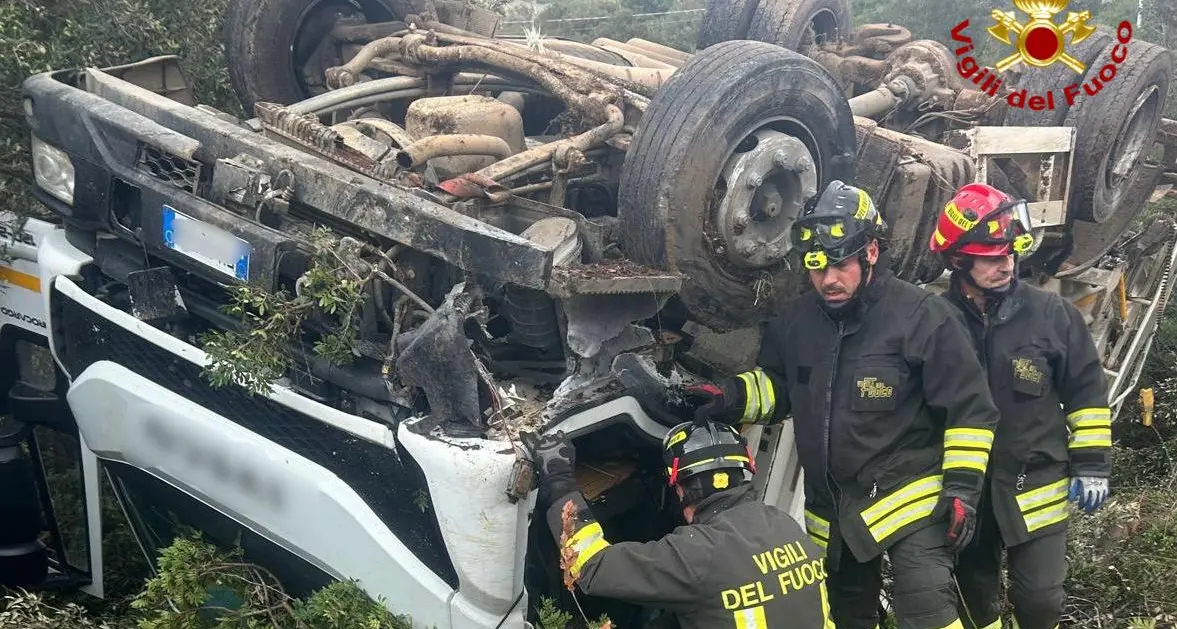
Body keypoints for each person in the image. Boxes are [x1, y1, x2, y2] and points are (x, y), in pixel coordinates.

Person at [679, 180, 1001, 629]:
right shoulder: (796, 322)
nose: (828, 280)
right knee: (844, 617)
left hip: (911, 502)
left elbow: (970, 410)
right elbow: (781, 388)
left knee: (929, 611)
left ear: (871, 252)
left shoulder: (921, 316)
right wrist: (729, 396)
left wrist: (963, 489)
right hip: (832, 514)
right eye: (817, 266)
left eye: (840, 264)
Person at [928, 182, 1112, 629]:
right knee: (974, 603)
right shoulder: (934, 322)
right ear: (959, 261)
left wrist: (1092, 465)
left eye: (1008, 253)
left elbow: (1087, 394)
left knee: (1041, 600)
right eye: (991, 258)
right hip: (967, 494)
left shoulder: (1053, 315)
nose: (1005, 265)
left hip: (1036, 485)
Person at [525, 418, 836, 629]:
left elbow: (593, 568)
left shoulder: (697, 555)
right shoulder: (784, 524)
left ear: (681, 489)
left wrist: (560, 480)